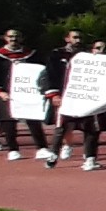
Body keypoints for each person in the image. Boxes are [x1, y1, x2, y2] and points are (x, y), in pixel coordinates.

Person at [47, 40, 106, 171]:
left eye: (105, 47)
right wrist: (55, 94)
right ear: (92, 50)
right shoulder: (81, 61)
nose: (101, 50)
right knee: (75, 128)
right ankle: (57, 155)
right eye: (98, 48)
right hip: (83, 100)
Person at [0, 28, 50, 162]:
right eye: (10, 37)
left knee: (33, 120)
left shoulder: (31, 54)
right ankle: (13, 149)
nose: (13, 39)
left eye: (16, 36)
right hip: (6, 93)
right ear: (5, 38)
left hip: (27, 92)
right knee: (8, 122)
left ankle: (41, 148)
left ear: (22, 38)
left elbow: (40, 72)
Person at [37, 29, 85, 163]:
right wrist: (54, 94)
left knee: (88, 125)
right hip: (64, 94)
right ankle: (60, 149)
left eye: (80, 37)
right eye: (75, 37)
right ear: (67, 39)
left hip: (82, 94)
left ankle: (89, 155)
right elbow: (50, 74)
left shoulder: (87, 55)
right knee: (64, 123)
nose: (78, 40)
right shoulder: (57, 54)